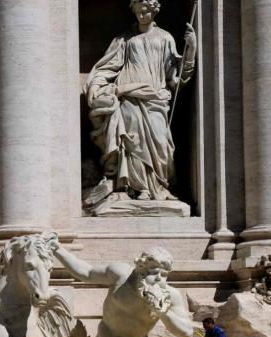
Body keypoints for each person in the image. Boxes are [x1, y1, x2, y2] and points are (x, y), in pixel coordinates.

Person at [84, 0, 196, 211]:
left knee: (161, 143)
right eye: (139, 12)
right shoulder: (124, 39)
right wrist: (97, 84)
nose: (142, 15)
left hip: (155, 97)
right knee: (132, 141)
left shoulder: (165, 37)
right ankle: (139, 189)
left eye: (146, 11)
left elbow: (176, 77)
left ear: (154, 11)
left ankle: (160, 188)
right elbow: (108, 66)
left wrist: (191, 49)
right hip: (129, 95)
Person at [52, 244, 193, 337]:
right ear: (140, 269)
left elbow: (186, 333)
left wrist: (162, 311)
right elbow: (86, 272)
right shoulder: (120, 276)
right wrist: (58, 249)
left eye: (164, 275)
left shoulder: (170, 296)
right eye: (153, 273)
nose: (159, 279)